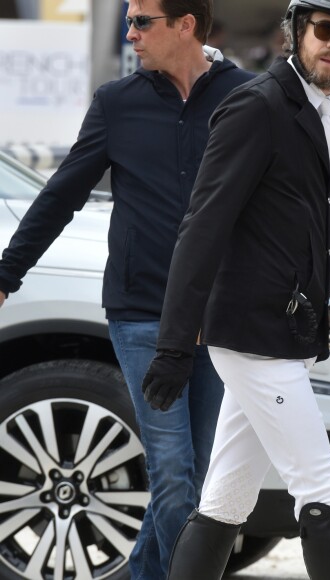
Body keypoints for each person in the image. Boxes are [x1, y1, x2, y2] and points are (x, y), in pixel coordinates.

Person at [141, 0, 330, 578]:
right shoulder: (255, 107)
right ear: (298, 30)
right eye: (325, 30)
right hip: (251, 334)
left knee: (227, 500)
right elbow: (202, 228)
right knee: (323, 489)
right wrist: (174, 346)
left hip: (287, 334)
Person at [0, 0, 253, 577]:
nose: (130, 32)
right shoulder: (117, 104)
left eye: (142, 21)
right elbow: (61, 194)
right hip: (143, 314)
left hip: (218, 318)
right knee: (173, 475)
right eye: (129, 20)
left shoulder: (245, 97)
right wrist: (6, 274)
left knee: (199, 474)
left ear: (185, 25)